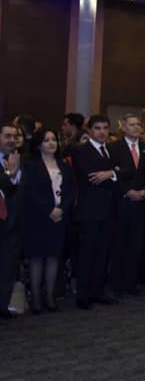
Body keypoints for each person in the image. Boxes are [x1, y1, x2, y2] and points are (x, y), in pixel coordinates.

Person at [21, 129, 76, 313]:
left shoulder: (63, 165)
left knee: (54, 257)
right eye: (46, 140)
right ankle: (36, 298)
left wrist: (61, 209)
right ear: (38, 144)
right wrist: (49, 210)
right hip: (39, 217)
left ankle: (50, 296)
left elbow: (70, 190)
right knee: (37, 258)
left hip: (59, 217)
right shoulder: (30, 165)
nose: (51, 143)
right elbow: (29, 192)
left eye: (54, 139)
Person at [71, 114, 120, 309]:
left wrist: (112, 173)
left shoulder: (111, 150)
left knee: (103, 253)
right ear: (90, 130)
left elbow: (126, 171)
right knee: (87, 253)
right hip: (90, 210)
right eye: (97, 128)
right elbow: (91, 176)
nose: (102, 132)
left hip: (109, 210)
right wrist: (114, 173)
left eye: (105, 128)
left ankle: (97, 291)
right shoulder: (80, 150)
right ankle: (83, 295)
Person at [107, 113, 145, 298]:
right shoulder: (113, 148)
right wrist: (127, 191)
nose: (136, 127)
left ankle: (131, 282)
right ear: (123, 128)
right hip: (121, 202)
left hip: (142, 203)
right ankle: (117, 282)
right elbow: (112, 175)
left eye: (138, 124)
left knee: (137, 244)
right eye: (132, 124)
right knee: (119, 243)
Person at [0, 124, 23, 319]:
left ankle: (2, 306)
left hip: (14, 223)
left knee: (8, 268)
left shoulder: (24, 161)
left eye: (15, 137)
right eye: (7, 136)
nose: (12, 140)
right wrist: (10, 174)